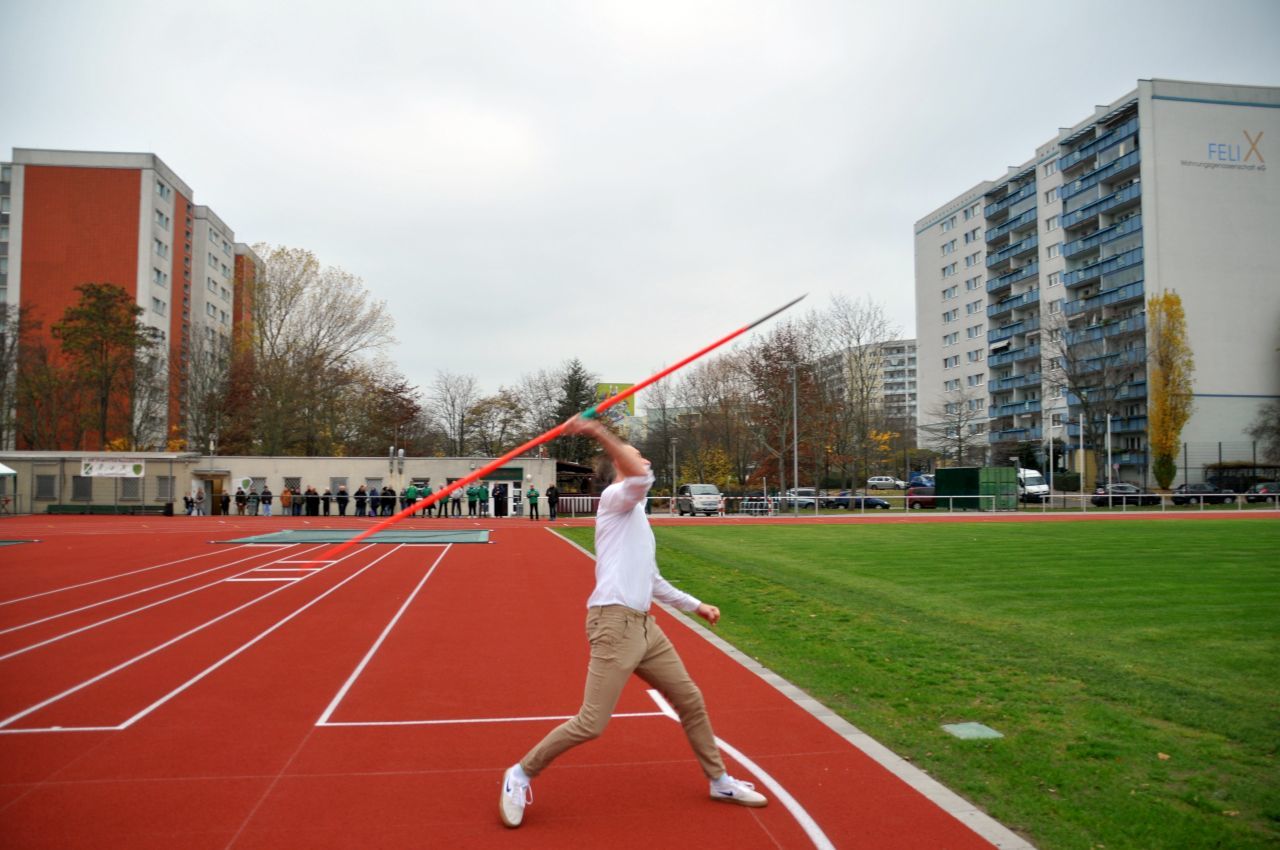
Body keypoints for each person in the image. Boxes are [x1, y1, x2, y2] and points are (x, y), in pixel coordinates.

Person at [498, 416, 766, 829]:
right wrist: (598, 433)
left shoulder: (636, 513)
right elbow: (639, 474)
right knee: (591, 723)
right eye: (636, 455)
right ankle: (519, 774)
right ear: (619, 467)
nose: (645, 460)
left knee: (690, 701)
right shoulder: (615, 498)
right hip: (613, 624)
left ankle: (719, 781)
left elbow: (653, 580)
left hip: (645, 627)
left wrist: (697, 606)